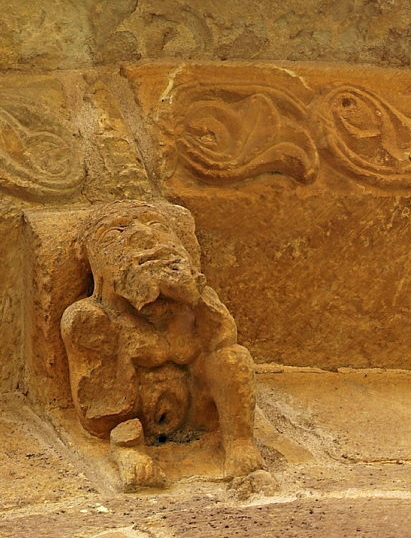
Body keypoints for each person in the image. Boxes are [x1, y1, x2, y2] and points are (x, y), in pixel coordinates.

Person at [61, 199, 266, 490]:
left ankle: (239, 441)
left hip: (200, 411)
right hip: (128, 421)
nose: (143, 235)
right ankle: (127, 450)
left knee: (233, 358)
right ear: (90, 258)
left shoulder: (201, 304)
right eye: (115, 232)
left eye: (158, 225)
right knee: (119, 424)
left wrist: (192, 298)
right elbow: (96, 405)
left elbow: (223, 340)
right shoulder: (91, 317)